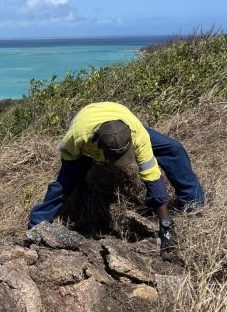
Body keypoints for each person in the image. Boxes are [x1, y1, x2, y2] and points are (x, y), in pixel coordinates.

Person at [28, 102, 204, 258]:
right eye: (112, 157)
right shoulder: (77, 137)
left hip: (119, 118)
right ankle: (36, 226)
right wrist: (81, 183)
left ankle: (192, 202)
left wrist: (166, 225)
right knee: (65, 183)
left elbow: (152, 179)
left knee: (174, 149)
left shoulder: (137, 135)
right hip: (85, 120)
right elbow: (69, 163)